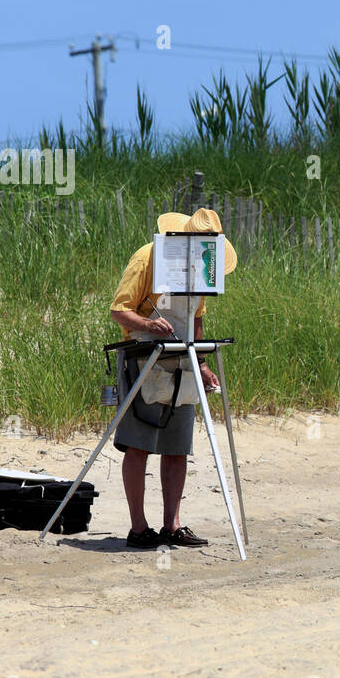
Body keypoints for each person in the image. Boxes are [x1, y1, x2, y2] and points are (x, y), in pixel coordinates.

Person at [108, 207, 238, 549]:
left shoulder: (203, 266)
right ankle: (138, 529)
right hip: (144, 357)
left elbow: (195, 317)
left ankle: (172, 525)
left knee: (178, 446)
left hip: (184, 359)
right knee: (138, 444)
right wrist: (149, 325)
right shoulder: (146, 257)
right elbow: (118, 309)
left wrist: (204, 363)